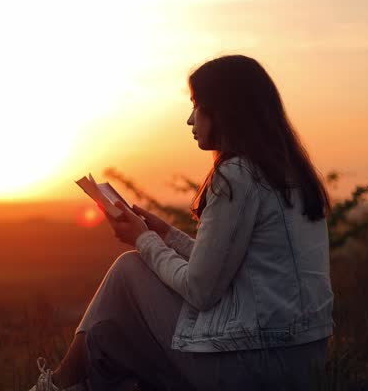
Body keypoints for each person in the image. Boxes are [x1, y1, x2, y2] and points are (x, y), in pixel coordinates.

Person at [27, 54, 335, 391]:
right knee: (111, 335)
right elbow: (229, 268)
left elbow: (201, 290)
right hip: (304, 361)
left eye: (197, 106)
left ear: (223, 111)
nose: (191, 120)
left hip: (256, 367)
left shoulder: (236, 176)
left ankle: (55, 386)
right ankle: (67, 385)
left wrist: (143, 240)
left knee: (129, 270)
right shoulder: (288, 173)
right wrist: (167, 235)